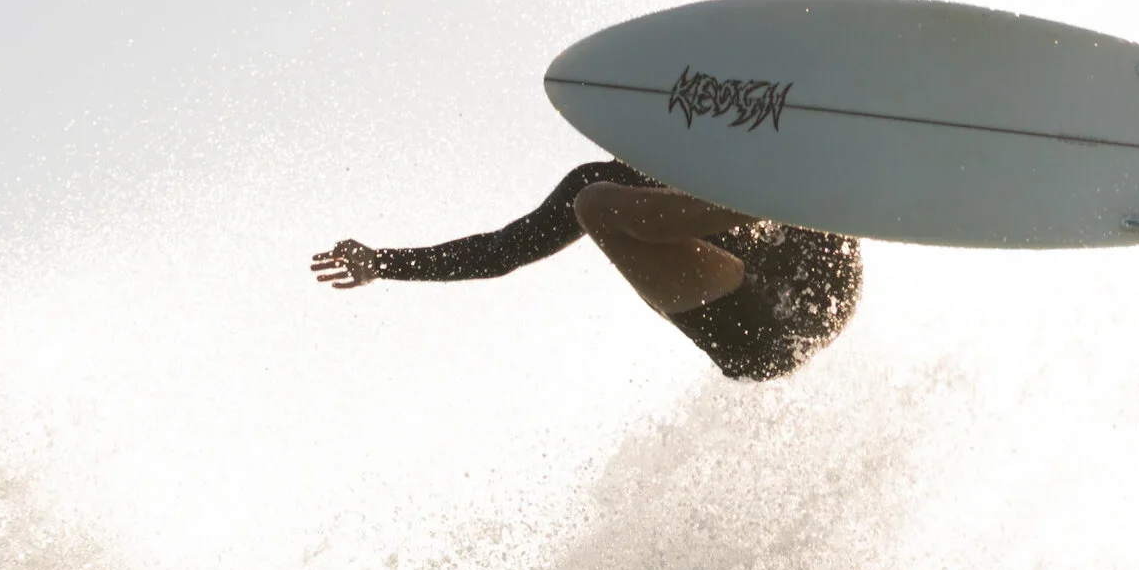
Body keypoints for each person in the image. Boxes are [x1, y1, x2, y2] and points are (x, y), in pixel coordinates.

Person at [311, 161, 860, 381]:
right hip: (756, 335)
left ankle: (766, 200)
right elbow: (500, 252)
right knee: (597, 204)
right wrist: (383, 262)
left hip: (823, 294)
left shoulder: (748, 142)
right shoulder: (608, 178)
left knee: (777, 174)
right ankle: (760, 202)